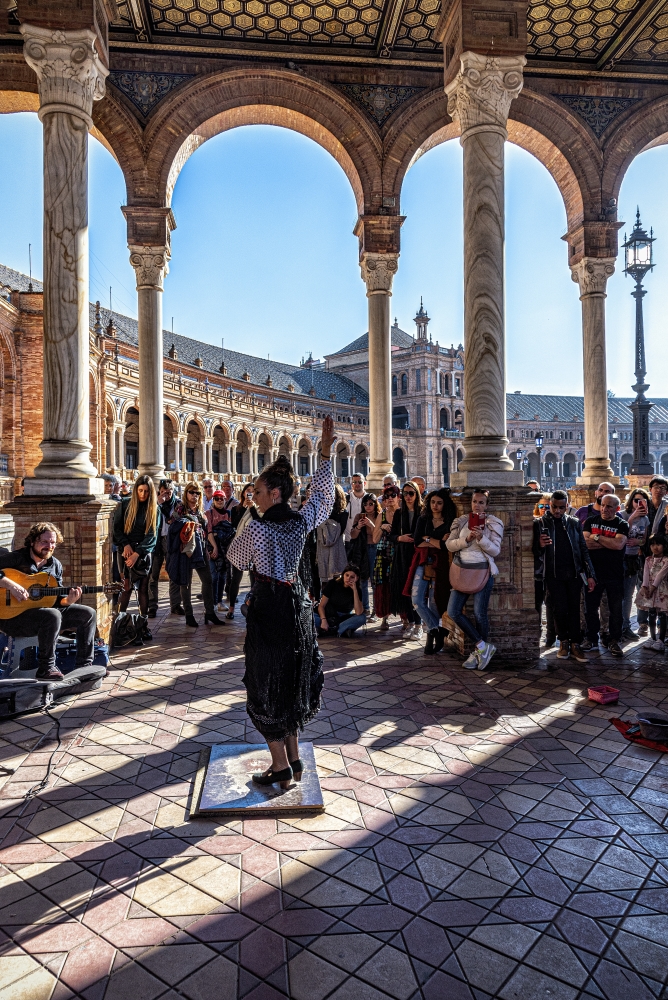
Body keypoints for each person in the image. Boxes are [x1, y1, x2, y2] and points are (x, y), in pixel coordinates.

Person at [226, 416, 336, 789]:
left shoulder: (257, 525)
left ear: (274, 493)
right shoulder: (301, 521)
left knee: (264, 681)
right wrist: (324, 452)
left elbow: (236, 559)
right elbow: (322, 498)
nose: (251, 497)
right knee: (291, 679)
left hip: (268, 609)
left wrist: (246, 519)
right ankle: (294, 758)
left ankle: (279, 766)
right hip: (297, 606)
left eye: (256, 492)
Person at [0, 522, 97, 680]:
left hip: (42, 616)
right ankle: (46, 668)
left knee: (88, 613)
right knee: (52, 615)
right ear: (32, 542)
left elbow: (58, 601)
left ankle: (84, 666)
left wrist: (68, 601)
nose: (49, 546)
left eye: (52, 543)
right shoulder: (17, 559)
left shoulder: (55, 565)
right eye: (44, 542)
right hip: (10, 618)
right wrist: (10, 585)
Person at [533, 490, 595, 663]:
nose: (557, 511)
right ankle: (564, 642)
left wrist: (590, 574)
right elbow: (533, 551)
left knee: (575, 608)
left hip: (574, 572)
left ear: (567, 506)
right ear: (550, 505)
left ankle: (575, 643)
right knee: (559, 609)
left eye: (561, 507)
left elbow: (583, 549)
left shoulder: (574, 523)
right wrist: (539, 544)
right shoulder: (541, 523)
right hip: (554, 573)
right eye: (554, 507)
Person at [446, 490, 504, 670]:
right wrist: (467, 539)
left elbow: (495, 551)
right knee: (453, 611)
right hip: (462, 570)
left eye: (481, 502)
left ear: (486, 505)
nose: (477, 505)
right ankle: (482, 647)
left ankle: (478, 653)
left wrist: (481, 538)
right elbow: (449, 544)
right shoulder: (462, 521)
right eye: (474, 502)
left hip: (482, 572)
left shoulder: (494, 523)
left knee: (480, 614)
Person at [167, 482, 224, 628]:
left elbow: (204, 531)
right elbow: (173, 526)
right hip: (185, 550)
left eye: (198, 493)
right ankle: (189, 615)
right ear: (186, 493)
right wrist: (189, 522)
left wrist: (207, 547)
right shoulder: (180, 508)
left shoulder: (200, 510)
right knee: (186, 583)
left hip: (200, 550)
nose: (195, 495)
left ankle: (210, 612)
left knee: (208, 580)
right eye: (192, 492)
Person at [408, 488, 457, 655]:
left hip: (441, 564)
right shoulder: (423, 519)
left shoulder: (450, 521)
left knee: (435, 601)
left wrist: (426, 538)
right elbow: (416, 542)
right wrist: (435, 541)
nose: (435, 506)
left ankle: (431, 637)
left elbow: (445, 546)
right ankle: (436, 629)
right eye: (433, 502)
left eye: (439, 503)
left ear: (444, 505)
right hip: (422, 561)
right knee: (417, 600)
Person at [582, 494, 628, 657]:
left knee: (616, 609)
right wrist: (607, 541)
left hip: (615, 573)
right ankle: (591, 639)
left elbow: (618, 545)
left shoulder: (621, 524)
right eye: (603, 505)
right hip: (593, 573)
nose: (604, 509)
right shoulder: (590, 521)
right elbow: (585, 545)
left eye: (609, 506)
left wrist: (596, 537)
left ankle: (614, 640)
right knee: (590, 608)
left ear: (617, 508)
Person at [113, 474, 159, 640]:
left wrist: (137, 553)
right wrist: (125, 545)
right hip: (125, 550)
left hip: (143, 552)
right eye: (140, 490)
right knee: (126, 588)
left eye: (146, 491)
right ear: (135, 490)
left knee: (144, 590)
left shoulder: (154, 508)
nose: (143, 494)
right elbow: (116, 528)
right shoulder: (124, 504)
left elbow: (152, 536)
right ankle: (119, 625)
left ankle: (143, 625)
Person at [389, 481, 424, 637]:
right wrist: (400, 538)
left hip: (417, 555)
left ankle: (419, 625)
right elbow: (391, 536)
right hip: (402, 555)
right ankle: (410, 622)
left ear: (417, 494)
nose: (408, 496)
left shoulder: (423, 512)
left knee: (416, 591)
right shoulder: (399, 513)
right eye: (405, 493)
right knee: (404, 590)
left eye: (411, 493)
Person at [148, 479, 182, 618]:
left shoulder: (178, 504)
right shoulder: (154, 504)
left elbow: (180, 519)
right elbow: (147, 518)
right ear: (158, 492)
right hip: (156, 541)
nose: (166, 495)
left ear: (173, 491)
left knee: (173, 572)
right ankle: (152, 606)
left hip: (171, 540)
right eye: (163, 492)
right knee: (153, 575)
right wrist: (157, 503)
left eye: (169, 492)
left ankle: (175, 605)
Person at [620, 488, 650, 640]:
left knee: (628, 594)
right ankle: (616, 627)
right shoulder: (624, 515)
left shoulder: (645, 519)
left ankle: (625, 626)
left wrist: (638, 541)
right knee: (617, 595)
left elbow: (644, 540)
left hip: (633, 559)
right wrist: (632, 517)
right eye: (636, 500)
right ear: (631, 501)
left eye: (642, 501)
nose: (639, 503)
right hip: (621, 558)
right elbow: (619, 530)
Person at [225, 483, 257, 619]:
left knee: (254, 579)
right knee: (235, 579)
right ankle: (231, 608)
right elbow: (234, 525)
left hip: (254, 547)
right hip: (239, 546)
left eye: (253, 491)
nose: (250, 493)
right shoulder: (236, 509)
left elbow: (258, 522)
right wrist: (245, 508)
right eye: (248, 491)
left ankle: (253, 606)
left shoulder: (258, 509)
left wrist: (252, 508)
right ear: (243, 493)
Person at [372, 486, 401, 632]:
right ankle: (385, 617)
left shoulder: (403, 514)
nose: (390, 498)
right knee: (384, 585)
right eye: (387, 496)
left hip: (399, 553)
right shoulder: (381, 515)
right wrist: (382, 527)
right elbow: (375, 538)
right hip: (383, 554)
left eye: (393, 495)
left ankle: (405, 618)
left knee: (399, 584)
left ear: (398, 497)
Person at [348, 493, 381, 619]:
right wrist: (358, 526)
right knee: (362, 580)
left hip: (374, 548)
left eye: (371, 504)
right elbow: (353, 535)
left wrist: (371, 524)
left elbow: (378, 535)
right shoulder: (359, 516)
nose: (368, 507)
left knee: (374, 580)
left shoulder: (379, 516)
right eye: (365, 504)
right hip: (361, 550)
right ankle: (366, 608)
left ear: (375, 504)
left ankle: (376, 610)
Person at [636, 534, 668, 651]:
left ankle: (661, 640)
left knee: (663, 614)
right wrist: (645, 587)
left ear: (664, 546)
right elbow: (645, 574)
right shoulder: (648, 559)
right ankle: (653, 637)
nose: (655, 547)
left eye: (658, 544)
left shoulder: (666, 560)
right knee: (651, 613)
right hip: (648, 590)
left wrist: (653, 588)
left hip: (661, 590)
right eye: (653, 544)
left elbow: (660, 576)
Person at [316, 564, 366, 638]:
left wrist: (355, 590)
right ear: (343, 575)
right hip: (328, 615)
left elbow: (358, 612)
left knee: (362, 618)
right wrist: (323, 620)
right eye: (347, 575)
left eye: (352, 577)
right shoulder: (333, 583)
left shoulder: (358, 590)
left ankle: (331, 631)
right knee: (311, 617)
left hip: (343, 618)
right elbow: (321, 606)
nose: (348, 578)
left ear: (357, 578)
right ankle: (340, 630)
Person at [206, 489, 237, 610]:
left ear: (225, 500)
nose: (219, 501)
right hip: (212, 547)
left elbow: (231, 531)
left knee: (223, 575)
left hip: (225, 548)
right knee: (213, 576)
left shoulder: (228, 514)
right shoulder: (209, 513)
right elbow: (209, 531)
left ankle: (219, 601)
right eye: (217, 498)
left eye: (222, 499)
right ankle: (212, 601)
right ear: (213, 500)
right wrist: (214, 547)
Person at [533, 494, 556, 646]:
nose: (544, 510)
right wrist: (539, 544)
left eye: (547, 507)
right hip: (537, 571)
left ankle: (551, 635)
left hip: (552, 570)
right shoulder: (534, 524)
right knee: (536, 605)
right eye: (541, 506)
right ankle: (536, 633)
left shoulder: (558, 523)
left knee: (551, 604)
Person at [316, 483, 348, 584]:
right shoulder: (344, 513)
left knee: (326, 580)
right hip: (336, 547)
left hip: (323, 546)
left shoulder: (321, 511)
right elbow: (340, 532)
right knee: (336, 578)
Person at [344, 473, 366, 543]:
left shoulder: (370, 499)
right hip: (349, 540)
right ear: (351, 484)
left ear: (364, 483)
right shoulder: (345, 499)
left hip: (366, 540)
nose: (357, 484)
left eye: (360, 482)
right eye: (354, 482)